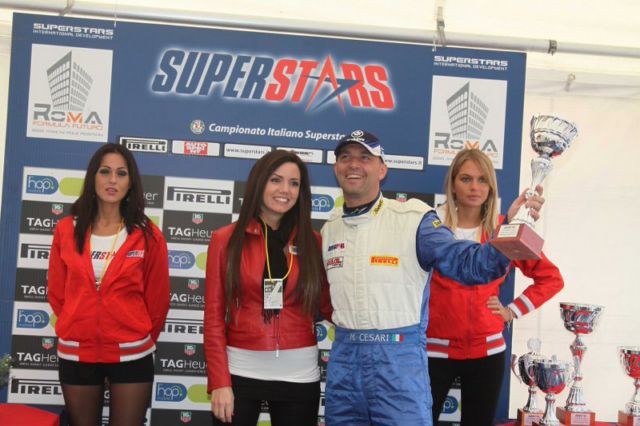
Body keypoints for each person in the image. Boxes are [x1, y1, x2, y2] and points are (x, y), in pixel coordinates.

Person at [320, 130, 545, 426]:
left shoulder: (414, 219)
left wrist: (511, 227)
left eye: (365, 157)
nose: (354, 164)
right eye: (345, 157)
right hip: (345, 363)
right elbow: (326, 301)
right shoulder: (330, 229)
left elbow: (471, 264)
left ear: (382, 169)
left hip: (398, 363)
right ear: (336, 167)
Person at [427, 149, 564, 425]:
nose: (474, 187)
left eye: (482, 180)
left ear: (491, 187)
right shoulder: (432, 228)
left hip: (487, 352)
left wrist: (511, 311)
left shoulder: (505, 229)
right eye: (466, 179)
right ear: (452, 184)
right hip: (434, 350)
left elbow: (551, 278)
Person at [204, 150, 332, 426]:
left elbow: (329, 305)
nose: (285, 190)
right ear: (259, 183)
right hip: (240, 370)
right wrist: (219, 382)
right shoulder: (226, 240)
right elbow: (213, 318)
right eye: (276, 180)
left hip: (299, 372)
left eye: (294, 183)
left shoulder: (313, 242)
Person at [47, 143, 170, 426]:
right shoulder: (66, 229)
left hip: (132, 353)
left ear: (131, 182)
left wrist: (136, 336)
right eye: (105, 171)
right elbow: (57, 292)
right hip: (77, 351)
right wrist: (77, 322)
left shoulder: (148, 234)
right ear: (93, 177)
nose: (112, 180)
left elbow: (158, 299)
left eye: (121, 173)